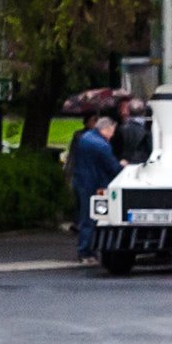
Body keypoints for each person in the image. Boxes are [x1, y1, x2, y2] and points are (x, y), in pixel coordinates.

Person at [66, 112, 121, 261]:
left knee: (85, 217)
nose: (112, 135)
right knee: (92, 219)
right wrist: (122, 166)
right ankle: (86, 251)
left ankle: (85, 250)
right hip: (95, 185)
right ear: (106, 129)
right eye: (112, 132)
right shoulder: (102, 145)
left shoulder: (85, 138)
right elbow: (112, 167)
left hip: (81, 181)